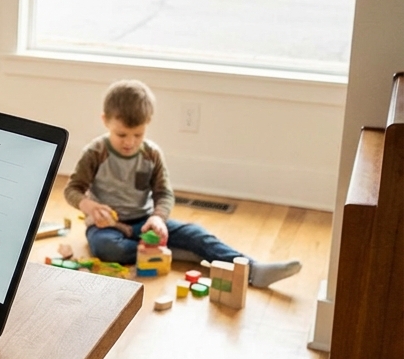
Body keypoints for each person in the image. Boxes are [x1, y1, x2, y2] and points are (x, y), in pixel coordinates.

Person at [64, 79, 302, 288]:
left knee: (197, 233)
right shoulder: (95, 152)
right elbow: (72, 189)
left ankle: (253, 269)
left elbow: (164, 193)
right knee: (108, 249)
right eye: (122, 135)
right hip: (107, 228)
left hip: (144, 222)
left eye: (138, 135)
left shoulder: (151, 154)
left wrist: (157, 217)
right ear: (105, 121)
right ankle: (170, 252)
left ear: (148, 124)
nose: (130, 142)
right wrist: (89, 206)